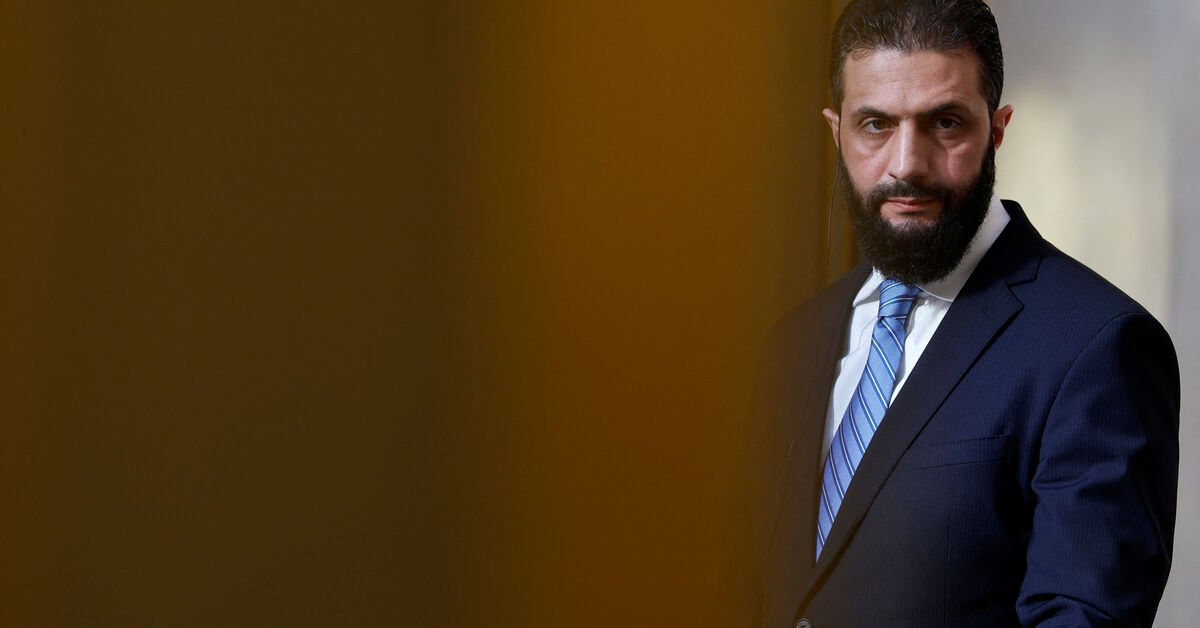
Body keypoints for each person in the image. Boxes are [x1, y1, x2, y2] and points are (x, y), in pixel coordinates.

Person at [747, 0, 1181, 626]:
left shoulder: (1098, 346)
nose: (907, 164)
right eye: (875, 124)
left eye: (945, 123)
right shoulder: (791, 343)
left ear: (997, 129)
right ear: (836, 132)